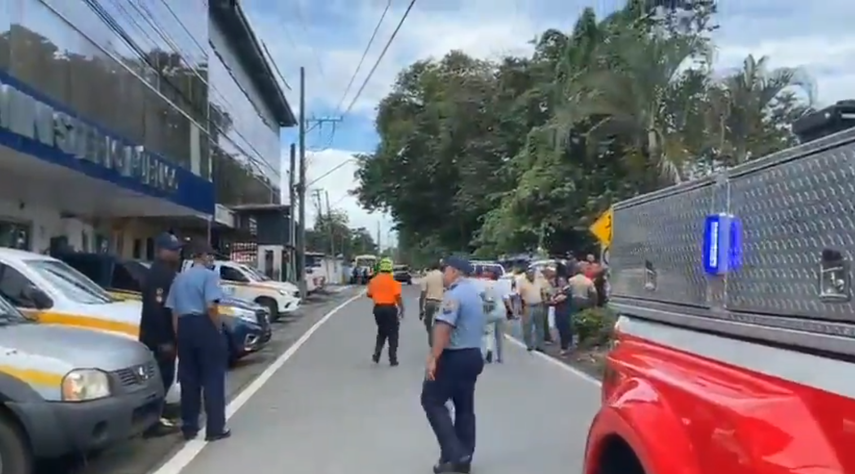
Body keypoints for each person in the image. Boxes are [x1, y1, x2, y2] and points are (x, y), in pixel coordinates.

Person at [421, 256, 485, 474]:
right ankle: (465, 457)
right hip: (473, 354)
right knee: (464, 407)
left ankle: (454, 455)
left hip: (454, 356)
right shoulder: (474, 293)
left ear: (455, 271)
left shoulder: (454, 295)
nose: (443, 275)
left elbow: (444, 328)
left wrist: (433, 358)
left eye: (445, 270)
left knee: (431, 400)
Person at [165, 240, 230, 442]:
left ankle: (189, 426)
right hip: (204, 324)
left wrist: (179, 335)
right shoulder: (210, 276)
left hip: (184, 327)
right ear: (202, 256)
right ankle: (215, 428)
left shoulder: (179, 279)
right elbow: (211, 306)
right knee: (213, 377)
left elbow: (174, 312)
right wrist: (218, 329)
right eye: (210, 255)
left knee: (189, 379)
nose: (212, 259)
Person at [139, 232, 183, 437]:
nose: (177, 253)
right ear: (160, 251)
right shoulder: (159, 274)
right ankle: (151, 423)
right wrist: (164, 340)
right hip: (159, 339)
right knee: (160, 379)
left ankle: (156, 417)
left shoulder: (166, 272)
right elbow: (157, 309)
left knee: (165, 377)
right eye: (172, 249)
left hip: (164, 337)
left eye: (177, 249)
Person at [367, 257, 404, 366]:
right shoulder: (393, 281)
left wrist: (379, 295)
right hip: (390, 308)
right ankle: (393, 359)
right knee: (393, 333)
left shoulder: (373, 280)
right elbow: (397, 296)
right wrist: (402, 308)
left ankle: (376, 354)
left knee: (382, 331)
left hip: (378, 309)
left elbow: (369, 294)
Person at [517, 267, 549, 352]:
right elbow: (518, 296)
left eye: (532, 273)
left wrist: (545, 301)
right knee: (527, 327)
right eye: (529, 274)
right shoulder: (521, 282)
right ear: (526, 274)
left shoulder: (539, 280)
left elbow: (543, 292)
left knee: (540, 327)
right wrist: (519, 308)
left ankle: (540, 345)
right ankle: (529, 344)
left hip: (539, 305)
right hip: (528, 306)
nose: (531, 275)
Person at [480, 269, 505, 364]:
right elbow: (506, 298)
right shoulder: (502, 285)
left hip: (493, 311)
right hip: (502, 310)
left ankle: (488, 352)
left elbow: (489, 302)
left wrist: (486, 314)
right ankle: (500, 357)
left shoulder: (488, 285)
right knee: (499, 335)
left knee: (488, 333)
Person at [420, 261, 444, 347]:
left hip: (429, 303)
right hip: (440, 303)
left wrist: (421, 309)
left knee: (428, 324)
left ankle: (432, 342)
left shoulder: (427, 277)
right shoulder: (443, 276)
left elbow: (423, 293)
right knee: (441, 324)